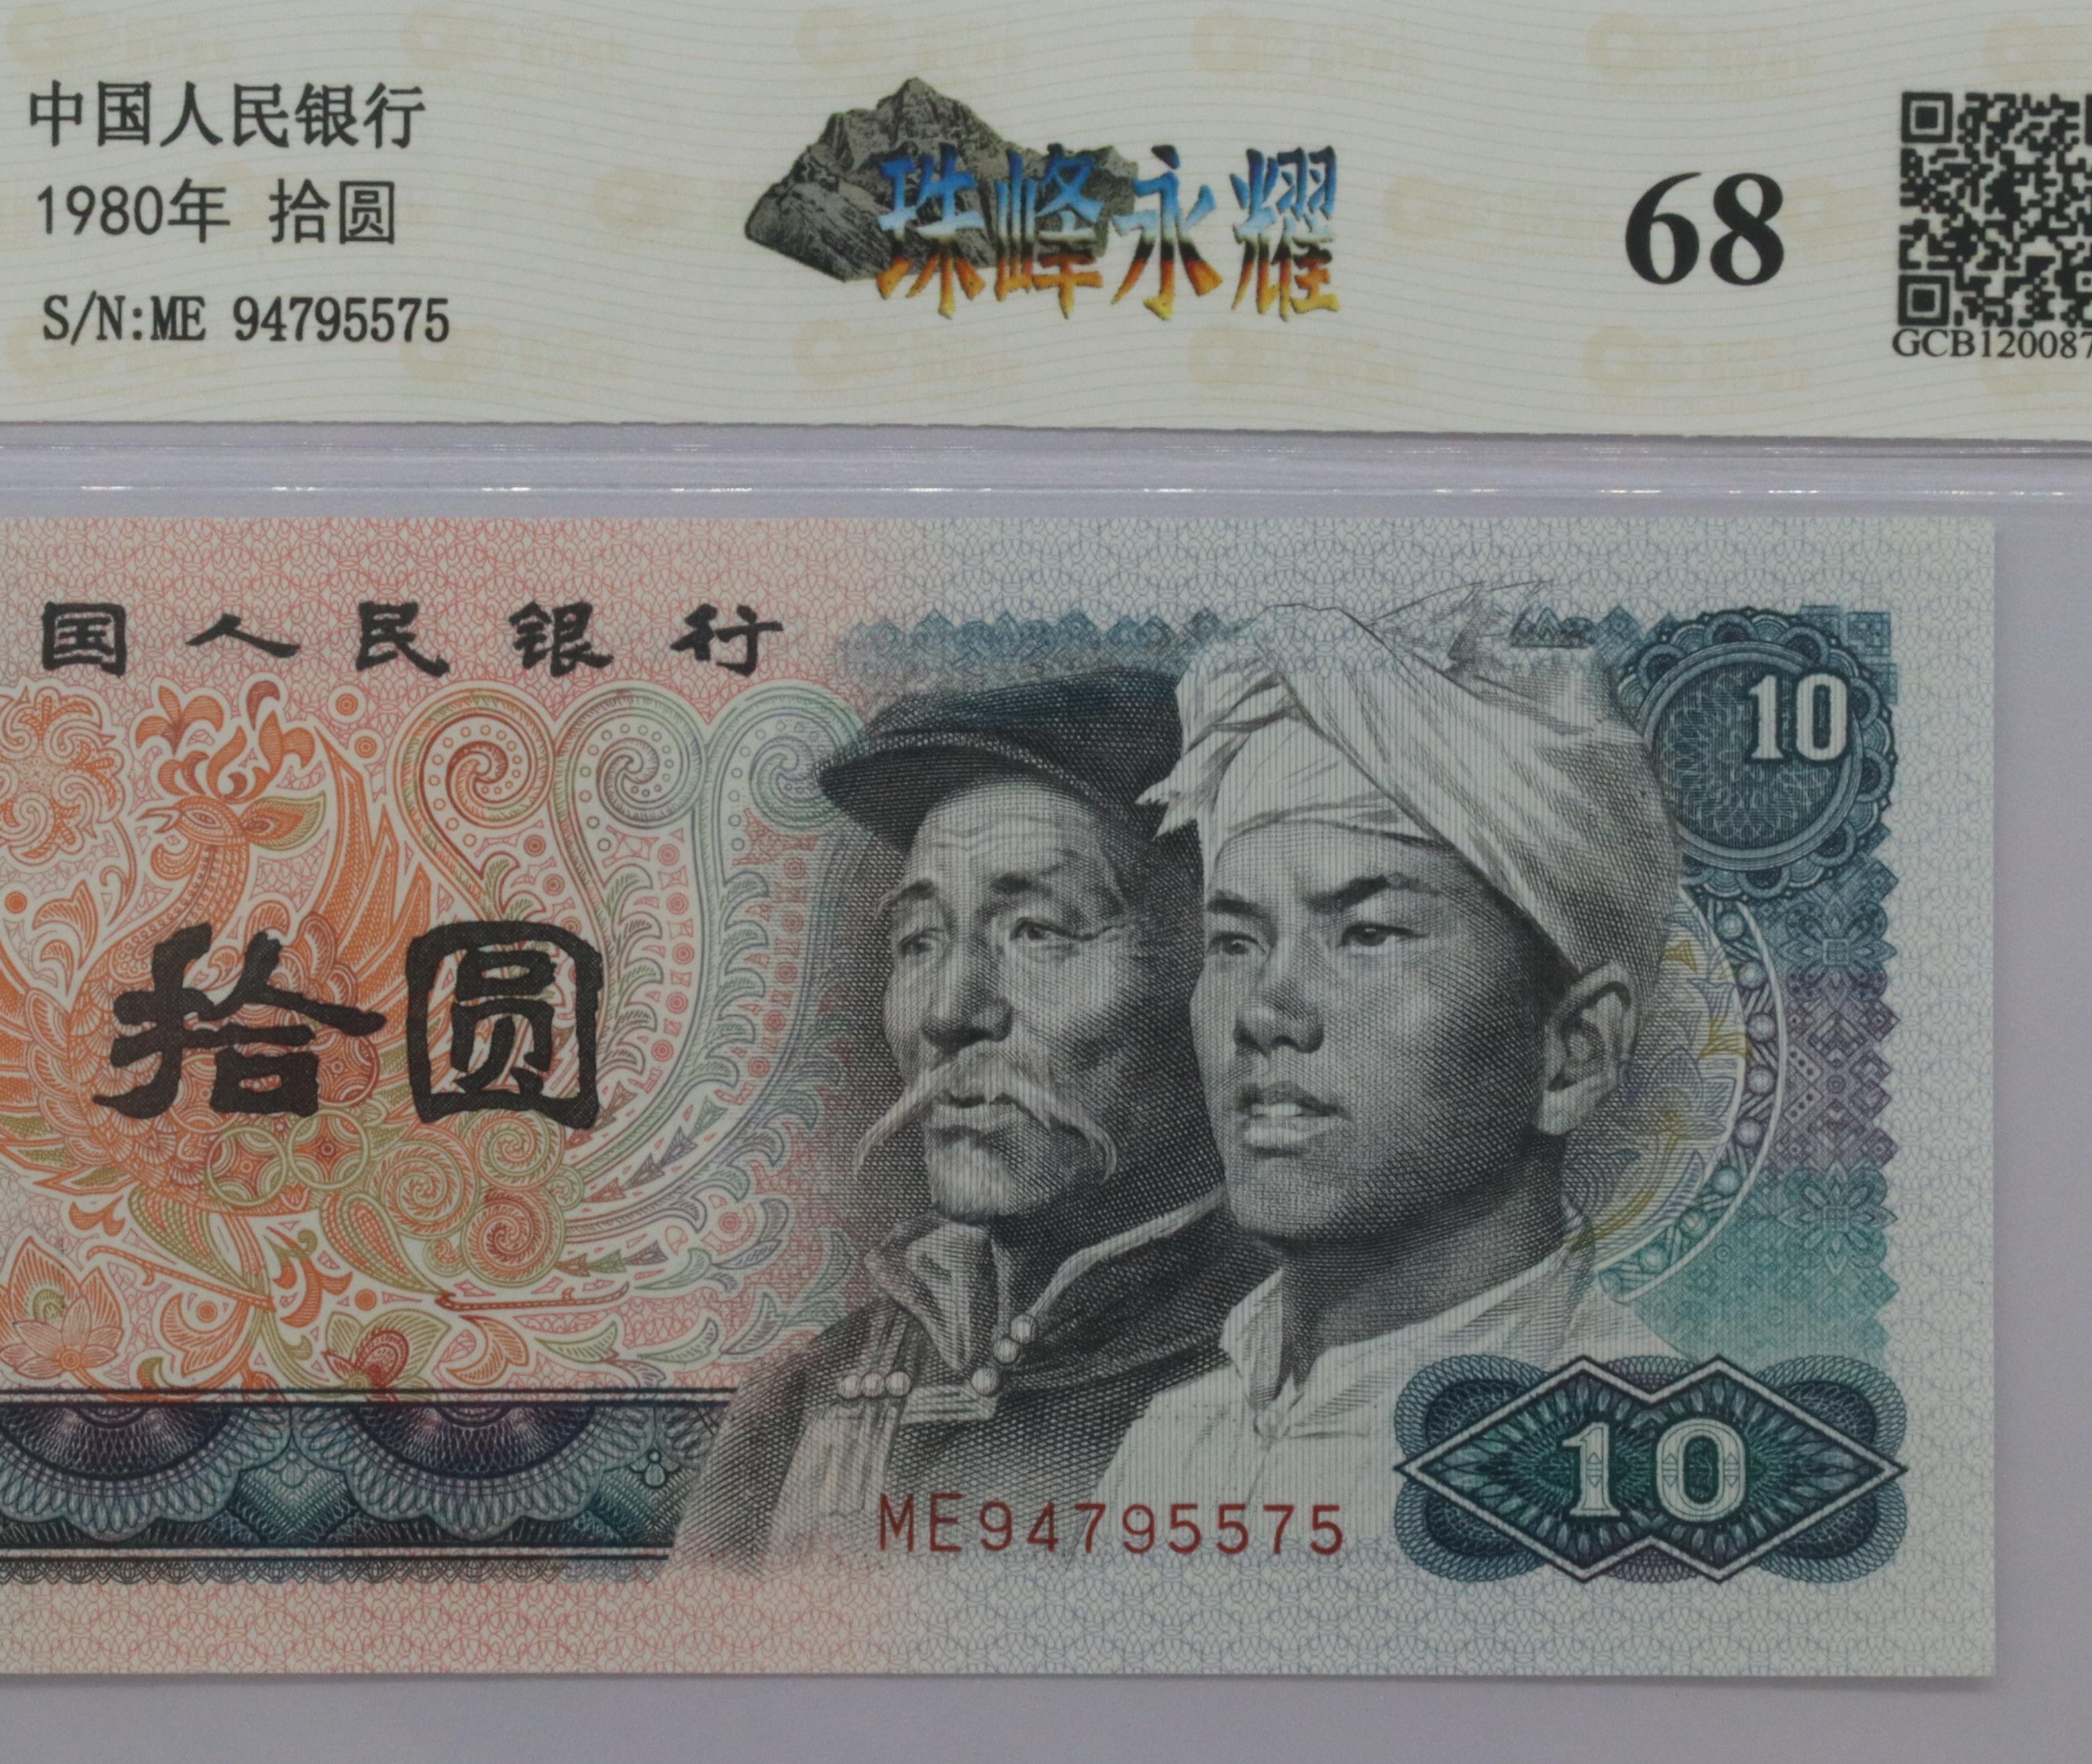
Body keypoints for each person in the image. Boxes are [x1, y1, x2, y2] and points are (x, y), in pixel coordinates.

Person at [1094, 588, 1684, 1529]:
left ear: (1572, 1052)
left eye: (1367, 934)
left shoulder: (1642, 1469)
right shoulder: (1169, 1449)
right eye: (1235, 941)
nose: (1266, 1013)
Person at [680, 668, 1265, 1561]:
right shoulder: (808, 1399)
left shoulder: (1307, 1372)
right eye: (918, 940)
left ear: (1217, 971)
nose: (950, 1012)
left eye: (1037, 931)